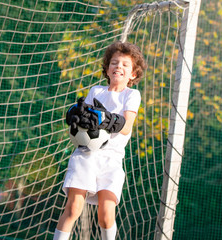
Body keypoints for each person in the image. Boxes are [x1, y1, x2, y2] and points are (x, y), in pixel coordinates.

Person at [54, 41, 147, 240]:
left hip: (112, 160)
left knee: (105, 216)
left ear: (133, 74)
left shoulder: (132, 95)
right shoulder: (96, 92)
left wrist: (108, 119)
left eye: (125, 64)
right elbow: (83, 122)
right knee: (73, 209)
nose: (119, 67)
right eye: (114, 63)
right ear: (107, 68)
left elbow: (127, 127)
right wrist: (76, 117)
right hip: (86, 155)